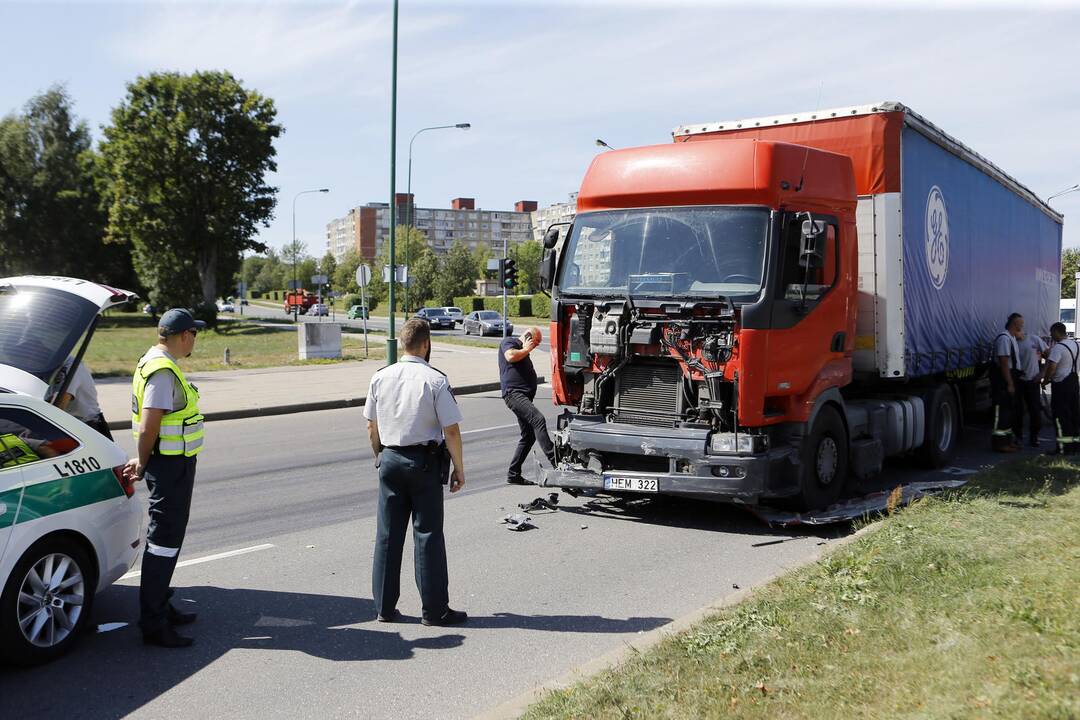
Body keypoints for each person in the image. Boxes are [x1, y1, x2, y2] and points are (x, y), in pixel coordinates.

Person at [365, 318, 467, 626]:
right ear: (425, 344)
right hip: (424, 464)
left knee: (387, 536)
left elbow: (372, 426)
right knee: (428, 536)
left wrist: (380, 457)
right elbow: (450, 430)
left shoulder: (380, 376)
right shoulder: (435, 379)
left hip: (390, 460)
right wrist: (459, 468)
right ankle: (435, 611)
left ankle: (384, 608)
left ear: (402, 343)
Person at [125, 308, 205, 648]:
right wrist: (141, 463)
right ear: (184, 335)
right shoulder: (162, 370)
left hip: (171, 464)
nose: (195, 341)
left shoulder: (152, 359)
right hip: (169, 468)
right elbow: (149, 424)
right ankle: (153, 623)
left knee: (168, 540)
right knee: (163, 542)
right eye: (195, 334)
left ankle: (161, 604)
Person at [500, 326, 556, 484]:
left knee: (529, 436)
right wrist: (526, 348)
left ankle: (513, 474)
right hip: (514, 394)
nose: (535, 346)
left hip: (522, 396)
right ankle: (556, 463)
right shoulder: (509, 342)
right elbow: (510, 356)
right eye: (535, 342)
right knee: (538, 419)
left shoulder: (522, 350)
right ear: (528, 337)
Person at [1040, 322, 1080, 455]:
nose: (1051, 336)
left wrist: (1045, 381)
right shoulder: (1076, 345)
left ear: (1057, 332)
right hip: (1073, 382)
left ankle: (1063, 448)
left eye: (1052, 333)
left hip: (1061, 385)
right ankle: (1075, 446)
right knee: (1074, 414)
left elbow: (1051, 367)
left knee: (1060, 417)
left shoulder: (1058, 348)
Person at [990, 313, 1024, 453]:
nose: (1022, 327)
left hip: (1010, 378)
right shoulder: (1004, 339)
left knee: (1009, 413)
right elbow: (1004, 363)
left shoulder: (1011, 338)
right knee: (1001, 414)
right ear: (1014, 324)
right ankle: (999, 444)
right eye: (1020, 324)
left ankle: (1008, 441)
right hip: (1003, 381)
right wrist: (1010, 383)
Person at [56, 359, 112, 440]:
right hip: (75, 426)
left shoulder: (70, 368)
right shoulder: (48, 369)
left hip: (88, 428)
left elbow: (60, 406)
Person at [1016, 328, 1048, 448]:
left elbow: (1050, 356)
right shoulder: (1011, 341)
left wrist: (1042, 373)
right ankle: (1017, 437)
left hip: (1033, 381)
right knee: (1017, 410)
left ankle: (1034, 437)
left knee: (1035, 410)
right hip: (1018, 381)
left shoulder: (1034, 339)